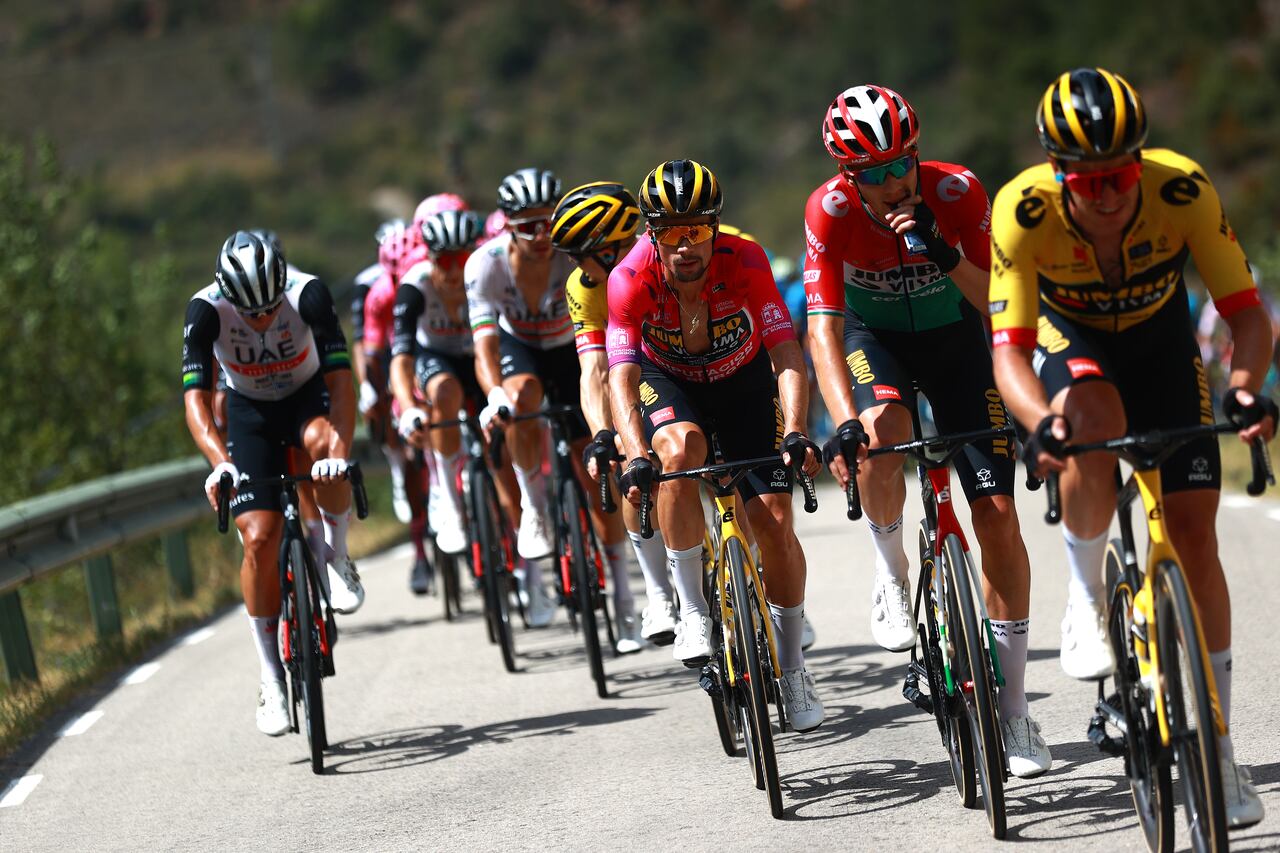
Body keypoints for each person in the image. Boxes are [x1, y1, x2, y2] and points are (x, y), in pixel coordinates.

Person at [989, 67, 1276, 825]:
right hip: (1071, 339)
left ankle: (1216, 744)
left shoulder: (1182, 189)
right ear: (1058, 173)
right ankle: (1085, 596)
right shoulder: (1022, 210)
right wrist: (1038, 421)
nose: (1109, 194)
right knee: (1090, 408)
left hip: (1160, 343)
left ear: (1139, 161)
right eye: (1089, 180)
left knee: (1193, 535)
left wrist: (1244, 386)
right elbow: (1009, 351)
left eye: (1120, 174)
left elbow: (1246, 315)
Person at [805, 84, 1048, 775]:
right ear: (849, 179)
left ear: (916, 156)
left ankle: (1015, 711)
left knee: (998, 515)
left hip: (958, 343)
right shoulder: (828, 215)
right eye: (870, 175)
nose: (888, 185)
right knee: (879, 432)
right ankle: (890, 570)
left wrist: (940, 251)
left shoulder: (960, 193)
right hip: (874, 340)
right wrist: (842, 419)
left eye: (898, 167)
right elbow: (821, 329)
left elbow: (996, 304)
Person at [607, 158, 826, 731]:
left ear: (715, 230)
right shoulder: (629, 279)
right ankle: (695, 611)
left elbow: (785, 352)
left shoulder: (746, 261)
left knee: (774, 525)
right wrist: (635, 456)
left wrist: (798, 428)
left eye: (698, 230)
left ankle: (795, 666)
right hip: (670, 382)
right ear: (651, 234)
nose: (686, 245)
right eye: (672, 232)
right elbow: (621, 378)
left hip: (744, 380)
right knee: (679, 454)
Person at [182, 230, 364, 736]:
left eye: (269, 309)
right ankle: (269, 676)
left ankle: (339, 556)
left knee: (324, 447)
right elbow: (196, 400)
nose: (262, 319)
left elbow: (342, 384)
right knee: (259, 537)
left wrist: (340, 453)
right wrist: (219, 461)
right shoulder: (204, 312)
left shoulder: (309, 294)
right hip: (249, 412)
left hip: (306, 397)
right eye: (251, 313)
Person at [551, 181, 670, 651]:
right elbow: (594, 368)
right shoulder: (583, 288)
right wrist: (603, 433)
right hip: (635, 371)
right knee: (626, 462)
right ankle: (659, 593)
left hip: (687, 362)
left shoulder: (664, 260)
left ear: (613, 247)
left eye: (580, 254)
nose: (575, 268)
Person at [466, 167, 583, 627]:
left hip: (570, 345)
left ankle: (628, 601)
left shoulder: (572, 250)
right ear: (507, 226)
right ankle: (534, 506)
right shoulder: (486, 265)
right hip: (522, 350)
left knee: (593, 476)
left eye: (548, 222)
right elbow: (484, 346)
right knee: (520, 397)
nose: (541, 234)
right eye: (528, 226)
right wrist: (494, 394)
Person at [392, 208, 487, 558]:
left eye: (461, 259)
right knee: (444, 393)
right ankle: (448, 498)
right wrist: (407, 408)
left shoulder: (482, 274)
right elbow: (400, 359)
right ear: (430, 259)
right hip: (437, 356)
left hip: (479, 354)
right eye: (444, 261)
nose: (454, 270)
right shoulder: (414, 286)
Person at [360, 219, 434, 593]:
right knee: (408, 453)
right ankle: (420, 552)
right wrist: (375, 393)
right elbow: (374, 355)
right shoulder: (378, 295)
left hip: (435, 348)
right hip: (398, 358)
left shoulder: (428, 276)